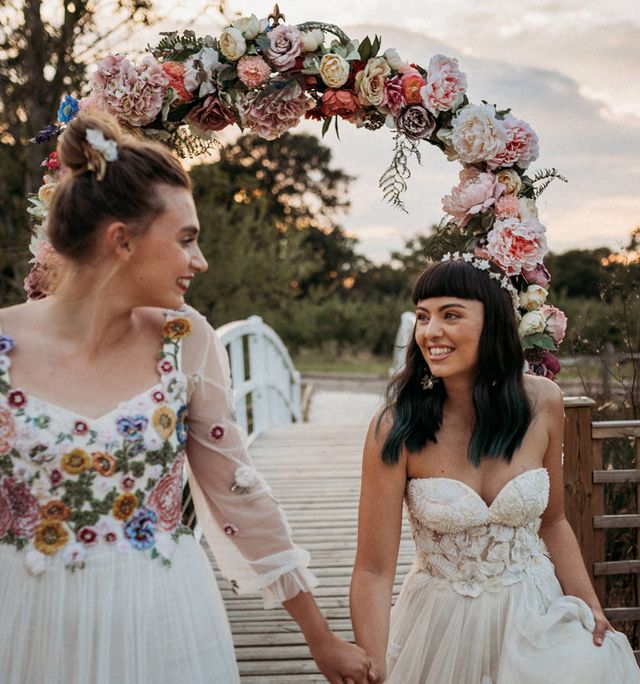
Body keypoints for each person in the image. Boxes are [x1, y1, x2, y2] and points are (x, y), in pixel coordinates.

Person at [0, 111, 371, 684]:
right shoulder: (4, 347)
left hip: (162, 620)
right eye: (187, 240)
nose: (200, 261)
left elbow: (238, 492)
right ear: (121, 241)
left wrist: (320, 640)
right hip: (27, 624)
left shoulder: (185, 341)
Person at [350, 258, 640, 683]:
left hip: (535, 614)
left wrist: (589, 605)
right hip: (440, 628)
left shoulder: (544, 402)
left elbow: (554, 521)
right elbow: (373, 570)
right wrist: (373, 665)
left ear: (493, 323)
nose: (431, 332)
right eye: (423, 316)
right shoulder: (396, 428)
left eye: (451, 315)